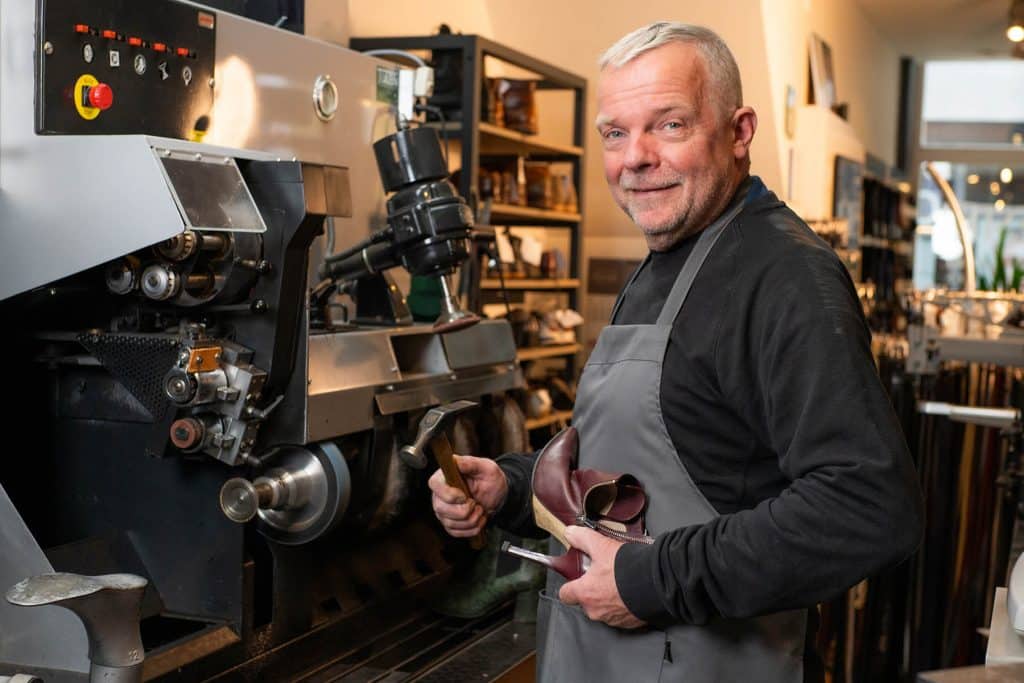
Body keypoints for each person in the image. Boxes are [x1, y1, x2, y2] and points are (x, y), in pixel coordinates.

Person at [429, 21, 924, 682]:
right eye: (614, 131)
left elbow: (870, 505)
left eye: (669, 125)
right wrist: (513, 485)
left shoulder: (785, 279)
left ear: (740, 131)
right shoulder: (670, 251)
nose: (634, 157)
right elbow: (640, 465)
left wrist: (651, 577)